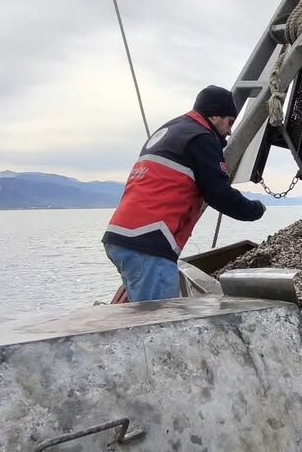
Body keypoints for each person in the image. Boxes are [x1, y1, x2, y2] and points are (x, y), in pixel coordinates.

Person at [103, 85, 265, 301]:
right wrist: (256, 209)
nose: (229, 131)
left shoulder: (171, 130)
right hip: (149, 242)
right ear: (214, 116)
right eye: (230, 122)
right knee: (160, 317)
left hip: (121, 237)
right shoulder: (201, 138)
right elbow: (219, 194)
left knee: (141, 312)